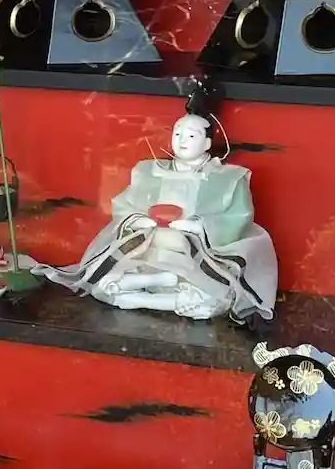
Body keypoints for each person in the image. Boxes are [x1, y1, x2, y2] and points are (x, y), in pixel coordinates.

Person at [34, 105, 277, 322]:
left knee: (215, 297)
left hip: (195, 250)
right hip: (148, 245)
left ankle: (138, 296)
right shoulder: (149, 170)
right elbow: (125, 203)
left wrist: (200, 226)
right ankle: (151, 284)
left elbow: (238, 216)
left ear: (206, 143)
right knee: (104, 279)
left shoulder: (229, 178)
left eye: (191, 135)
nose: (182, 140)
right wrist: (138, 219)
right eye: (177, 133)